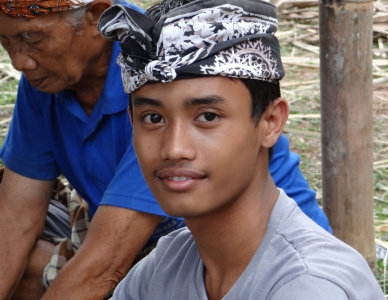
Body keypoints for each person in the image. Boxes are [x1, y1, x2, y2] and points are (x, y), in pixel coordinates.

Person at [0, 0, 329, 298]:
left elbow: (105, 265)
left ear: (97, 17)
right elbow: (15, 216)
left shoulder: (160, 63)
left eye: (32, 39)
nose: (19, 61)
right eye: (5, 42)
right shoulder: (49, 78)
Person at [98, 0, 385, 299]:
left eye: (208, 116)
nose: (174, 148)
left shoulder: (309, 285)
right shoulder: (165, 267)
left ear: (271, 122)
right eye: (153, 118)